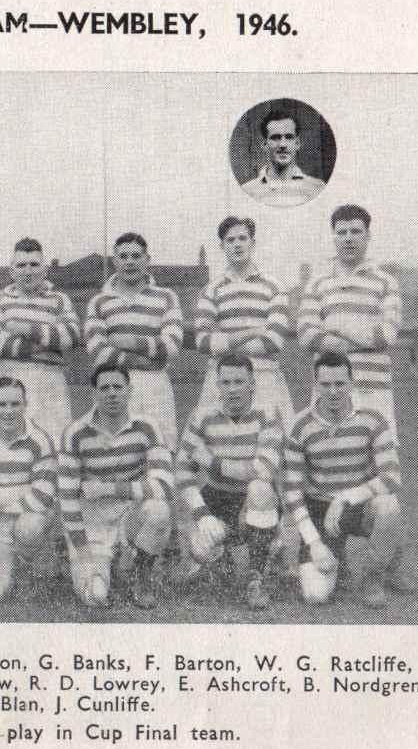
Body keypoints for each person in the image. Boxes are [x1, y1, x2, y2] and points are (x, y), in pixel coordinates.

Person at [191, 215, 296, 580]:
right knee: (214, 455)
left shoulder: (274, 286)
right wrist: (253, 328)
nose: (237, 244)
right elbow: (204, 342)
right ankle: (215, 548)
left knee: (276, 465)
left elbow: (275, 341)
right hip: (221, 380)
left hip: (266, 378)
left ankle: (282, 553)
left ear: (252, 242)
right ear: (222, 245)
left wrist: (229, 339)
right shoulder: (211, 290)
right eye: (230, 240)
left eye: (243, 238)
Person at [284, 353, 407, 608]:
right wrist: (314, 543)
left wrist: (345, 497)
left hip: (358, 506)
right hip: (319, 511)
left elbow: (392, 476)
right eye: (325, 384)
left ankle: (373, 576)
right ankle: (334, 552)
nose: (333, 391)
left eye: (340, 384)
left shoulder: (373, 419)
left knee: (389, 505)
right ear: (315, 385)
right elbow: (293, 491)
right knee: (315, 596)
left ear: (352, 383)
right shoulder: (299, 425)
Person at [58, 364, 173, 609]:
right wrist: (83, 551)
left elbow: (164, 485)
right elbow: (67, 499)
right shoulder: (75, 433)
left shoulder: (147, 426)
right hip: (94, 520)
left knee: (159, 510)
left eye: (118, 387)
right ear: (94, 394)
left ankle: (140, 574)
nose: (112, 393)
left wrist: (108, 488)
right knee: (96, 596)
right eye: (104, 388)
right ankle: (102, 564)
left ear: (130, 391)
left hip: (129, 512)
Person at [175, 355, 283, 610]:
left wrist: (212, 462)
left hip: (252, 499)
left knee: (260, 488)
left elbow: (263, 469)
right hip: (217, 496)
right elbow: (182, 471)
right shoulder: (202, 416)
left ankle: (256, 578)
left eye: (239, 381)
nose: (232, 389)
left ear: (252, 383)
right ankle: (223, 557)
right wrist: (202, 515)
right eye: (225, 382)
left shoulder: (268, 413)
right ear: (217, 385)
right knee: (199, 550)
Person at [297, 204, 401, 430]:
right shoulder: (317, 282)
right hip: (328, 391)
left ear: (368, 235)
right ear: (334, 236)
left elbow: (385, 336)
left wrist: (335, 325)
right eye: (341, 233)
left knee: (379, 460)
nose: (348, 239)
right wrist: (364, 338)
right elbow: (306, 336)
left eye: (355, 232)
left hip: (374, 390)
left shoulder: (385, 282)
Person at [84, 232, 183, 450]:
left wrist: (125, 340)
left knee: (162, 448)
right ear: (114, 261)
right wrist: (149, 357)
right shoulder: (99, 301)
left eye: (136, 256)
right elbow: (97, 350)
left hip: (155, 384)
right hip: (114, 384)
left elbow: (171, 347)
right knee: (113, 450)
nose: (129, 262)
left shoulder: (166, 297)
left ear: (147, 260)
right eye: (123, 256)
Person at [0, 377, 57, 603]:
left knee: (31, 525)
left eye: (15, 404)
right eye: (2, 405)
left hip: (25, 517)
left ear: (25, 405)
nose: (8, 411)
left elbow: (44, 496)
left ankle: (29, 561)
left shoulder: (40, 440)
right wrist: (24, 490)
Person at [0, 237, 80, 440]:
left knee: (52, 446)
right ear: (12, 270)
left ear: (44, 269)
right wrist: (47, 343)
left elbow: (70, 336)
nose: (28, 271)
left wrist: (22, 328)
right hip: (8, 379)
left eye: (34, 265)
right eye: (22, 265)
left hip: (50, 381)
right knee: (4, 450)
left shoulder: (60, 299)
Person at [241, 109, 326, 207]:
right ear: (264, 144)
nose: (282, 144)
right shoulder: (248, 191)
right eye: (275, 137)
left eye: (289, 137)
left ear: (297, 143)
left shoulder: (317, 188)